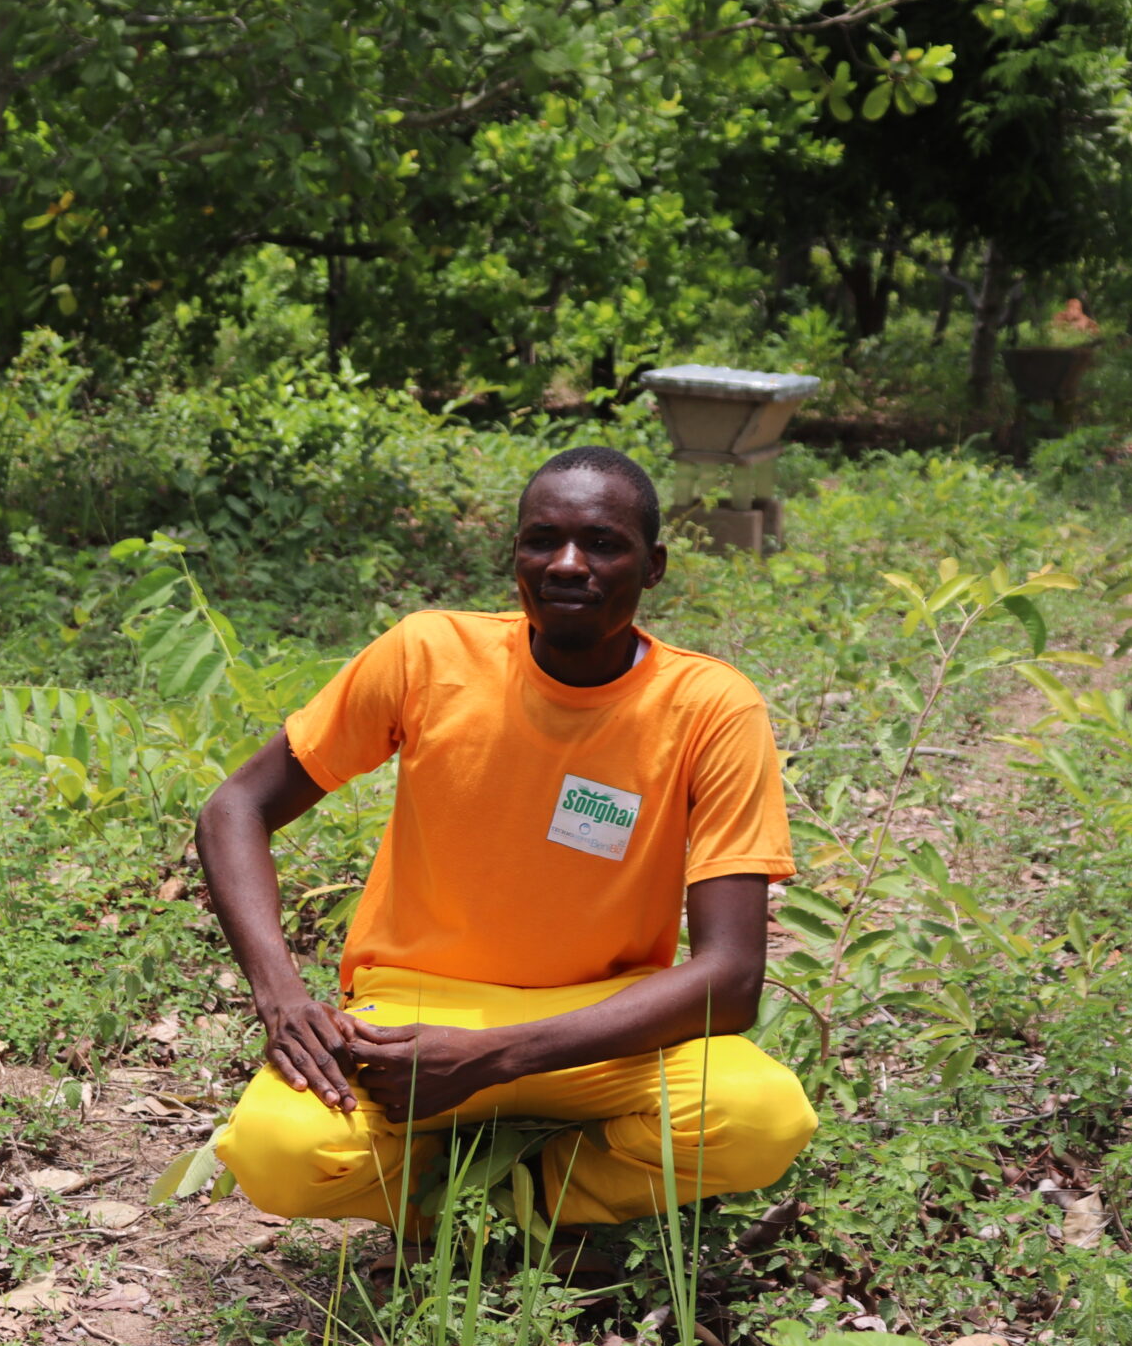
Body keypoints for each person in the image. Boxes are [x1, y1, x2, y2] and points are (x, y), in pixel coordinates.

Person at [196, 445, 816, 1230]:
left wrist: (494, 1056)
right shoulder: (429, 655)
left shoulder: (711, 707)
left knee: (762, 1117)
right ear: (514, 555)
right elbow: (234, 808)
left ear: (653, 565)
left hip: (603, 1025)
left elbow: (730, 979)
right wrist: (281, 993)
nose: (566, 563)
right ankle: (438, 1192)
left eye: (602, 542)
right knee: (278, 1153)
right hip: (412, 1014)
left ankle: (524, 1202)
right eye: (540, 539)